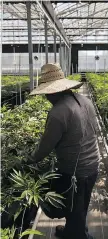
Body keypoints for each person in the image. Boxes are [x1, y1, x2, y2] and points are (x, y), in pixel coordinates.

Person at [29, 63, 99, 239]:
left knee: (75, 207)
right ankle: (72, 231)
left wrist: (31, 159)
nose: (45, 96)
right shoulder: (84, 100)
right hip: (92, 163)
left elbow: (46, 146)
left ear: (53, 92)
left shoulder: (58, 112)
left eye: (46, 92)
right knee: (80, 205)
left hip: (75, 170)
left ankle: (79, 235)